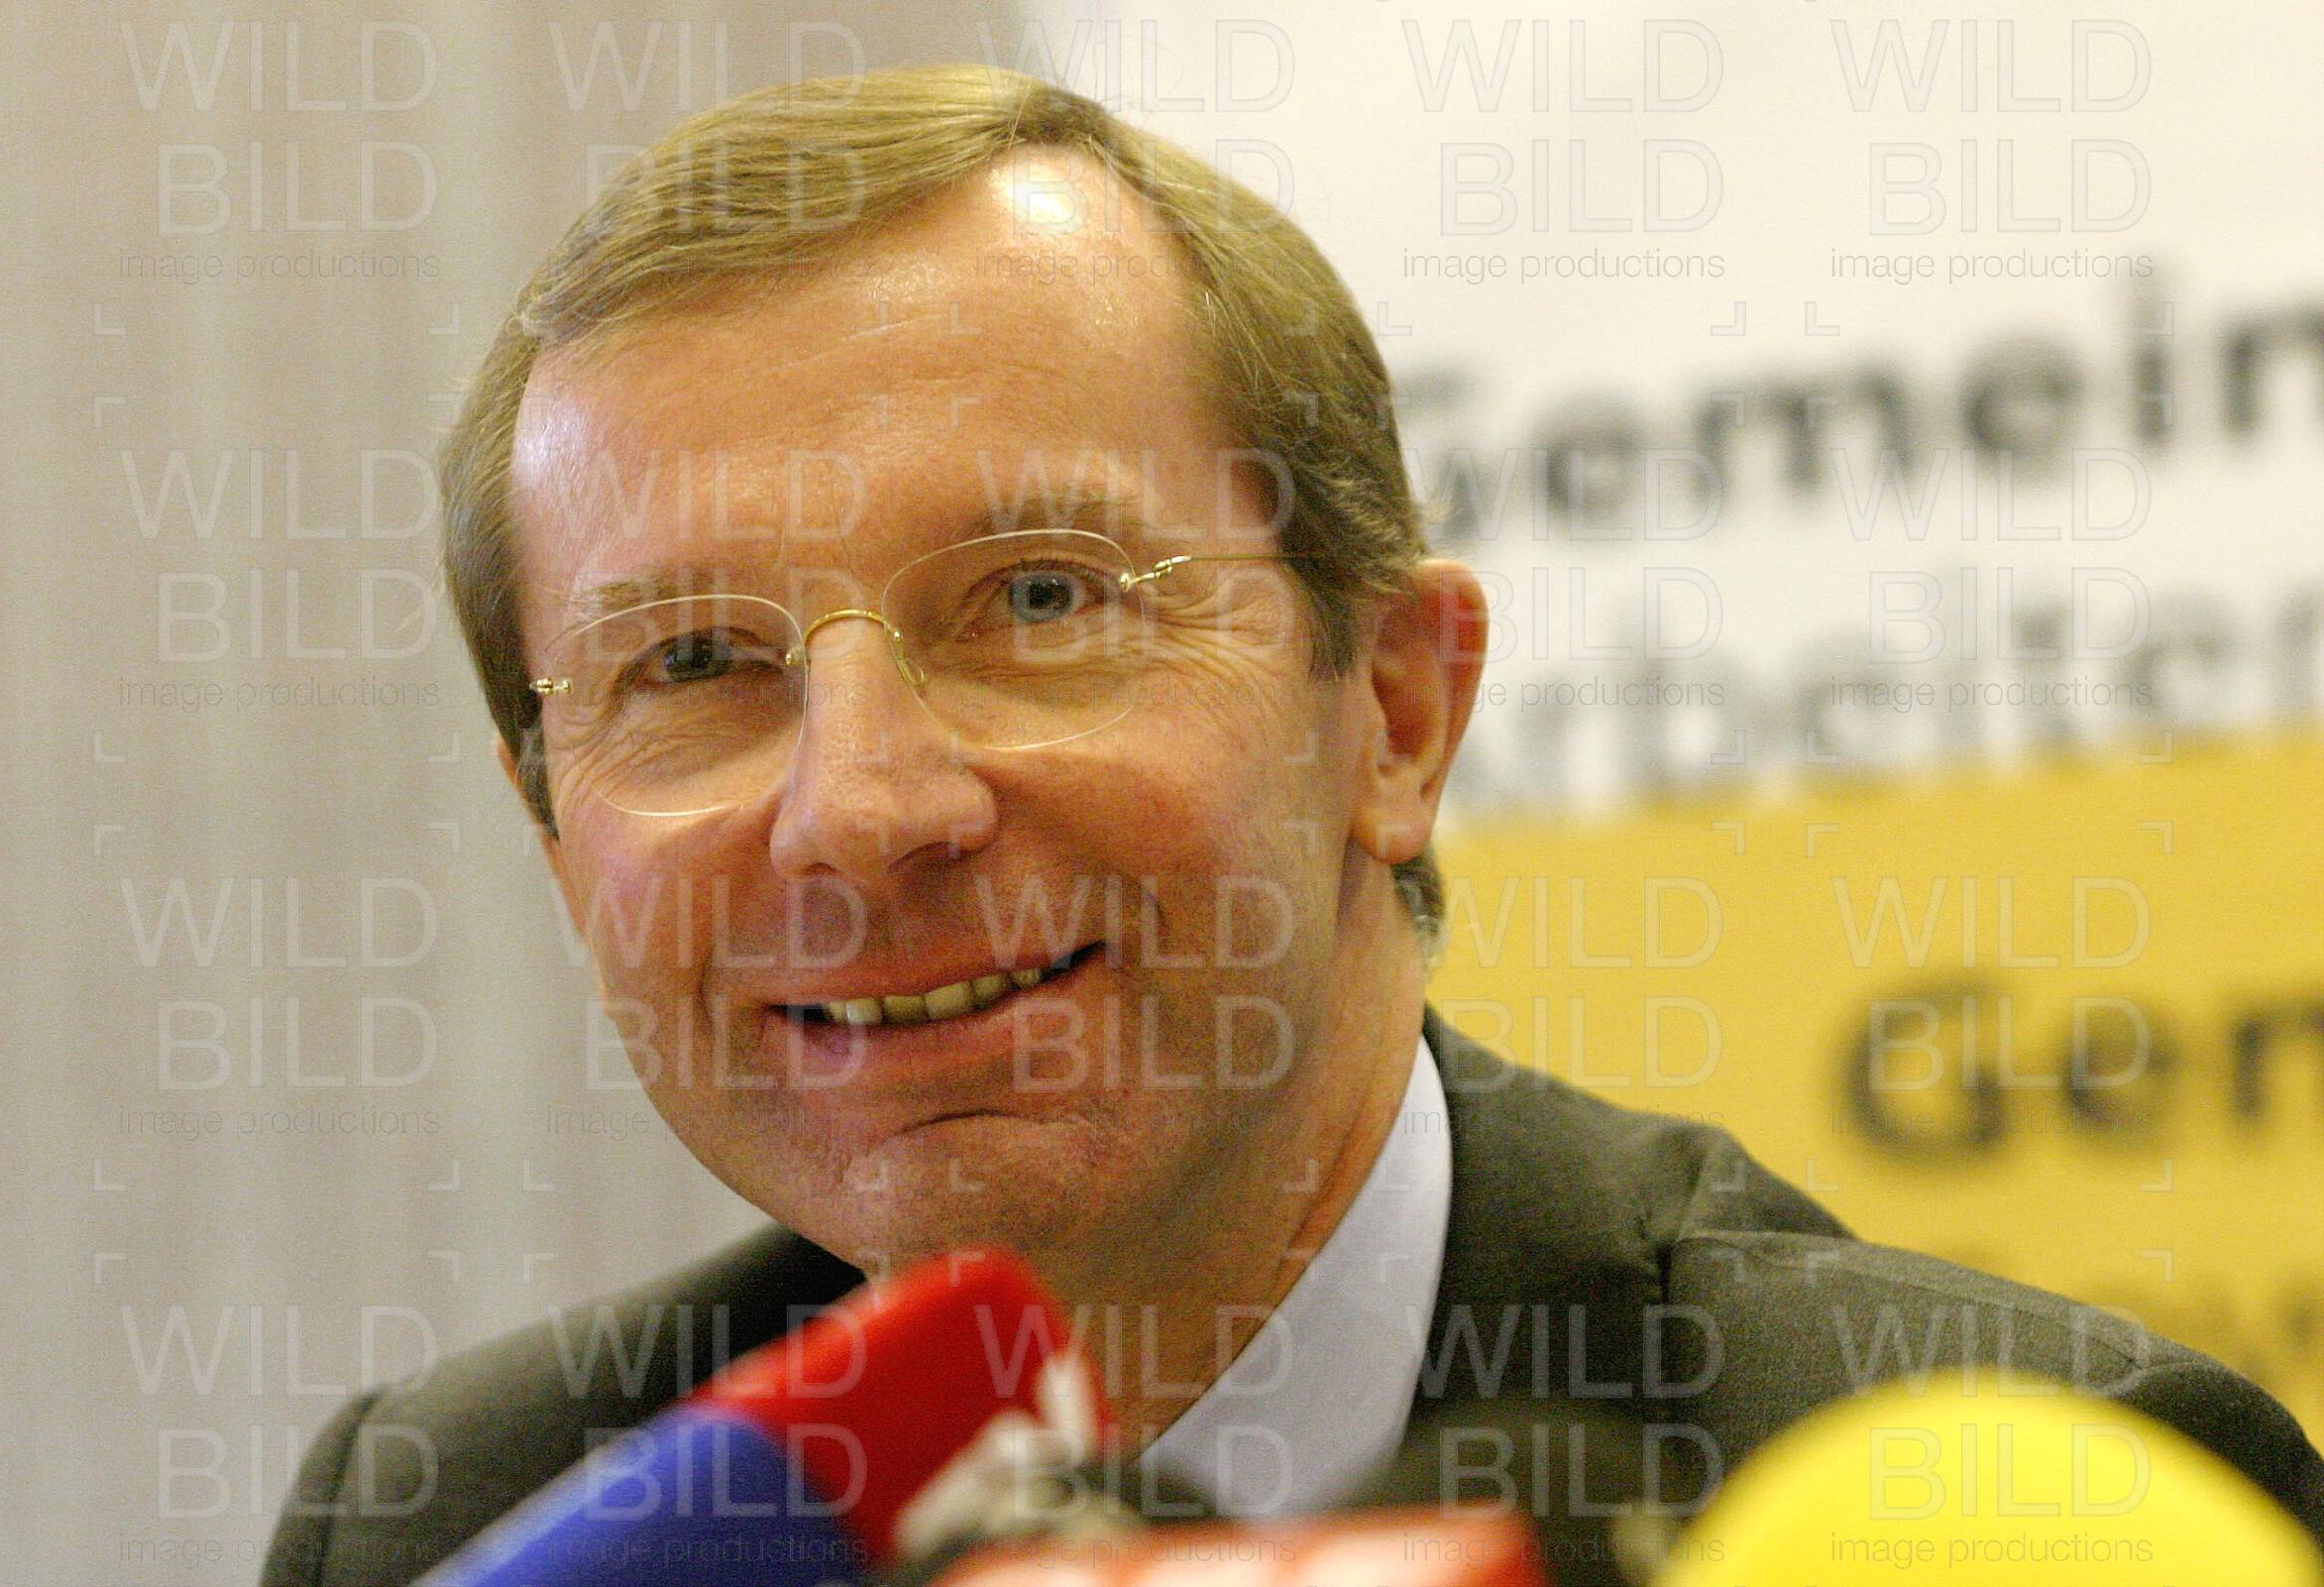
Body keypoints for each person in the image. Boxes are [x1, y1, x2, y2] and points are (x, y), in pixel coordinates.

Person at [261, 65, 2324, 1585]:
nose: (867, 809)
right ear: (559, 841)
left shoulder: (1992, 1510)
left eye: (1041, 600)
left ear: (1396, 713)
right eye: (696, 663)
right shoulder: (467, 1520)